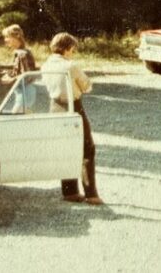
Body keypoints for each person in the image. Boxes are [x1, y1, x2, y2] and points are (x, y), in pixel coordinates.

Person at [41, 32, 102, 205]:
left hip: (54, 107)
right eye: (72, 49)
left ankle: (69, 191)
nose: (72, 53)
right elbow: (87, 86)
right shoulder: (70, 66)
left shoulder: (46, 65)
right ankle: (91, 194)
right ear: (67, 49)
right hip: (73, 107)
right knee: (87, 149)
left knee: (64, 149)